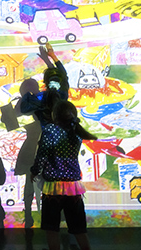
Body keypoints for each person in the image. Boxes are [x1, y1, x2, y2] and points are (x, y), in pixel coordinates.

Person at [30, 100, 98, 250]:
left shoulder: (50, 130)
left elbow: (42, 155)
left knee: (52, 229)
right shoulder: (76, 131)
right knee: (79, 229)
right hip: (73, 188)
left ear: (55, 115)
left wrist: (34, 171)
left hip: (53, 189)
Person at [20, 43, 69, 127]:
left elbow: (24, 109)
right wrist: (52, 56)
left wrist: (27, 94)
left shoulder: (40, 98)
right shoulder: (63, 94)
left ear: (44, 82)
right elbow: (62, 75)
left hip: (46, 132)